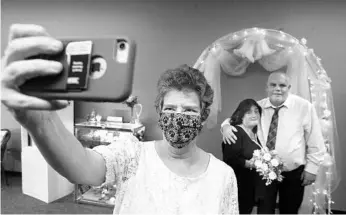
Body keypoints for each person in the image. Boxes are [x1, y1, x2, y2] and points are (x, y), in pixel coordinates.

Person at [1, 24, 239, 215]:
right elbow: (83, 168)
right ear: (160, 112)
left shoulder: (223, 175)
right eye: (170, 108)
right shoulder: (133, 154)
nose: (178, 116)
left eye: (189, 111)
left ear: (203, 115)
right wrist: (40, 123)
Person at [221, 70, 327, 214]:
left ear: (289, 88)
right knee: (264, 210)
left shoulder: (304, 107)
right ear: (267, 87)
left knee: (289, 210)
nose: (277, 88)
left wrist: (312, 168)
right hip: (264, 172)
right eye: (273, 85)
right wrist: (226, 126)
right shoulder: (258, 108)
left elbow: (315, 138)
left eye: (282, 85)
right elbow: (236, 118)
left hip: (293, 173)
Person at [222, 99, 264, 214]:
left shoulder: (255, 133)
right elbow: (230, 159)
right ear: (241, 115)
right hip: (239, 186)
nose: (254, 115)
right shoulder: (235, 131)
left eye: (256, 111)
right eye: (249, 112)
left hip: (250, 186)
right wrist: (250, 164)